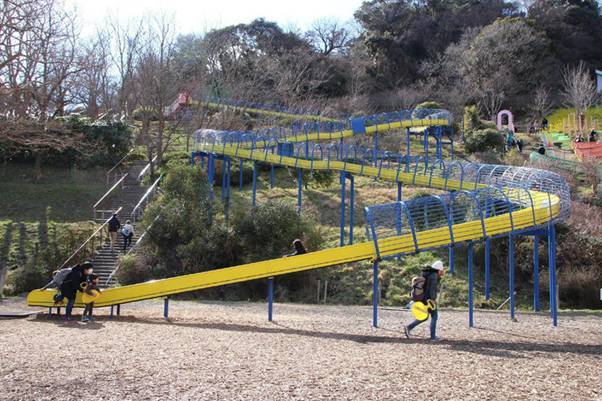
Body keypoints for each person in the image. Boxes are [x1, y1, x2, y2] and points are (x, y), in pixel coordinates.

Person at [403, 260, 445, 341]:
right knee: (434, 316)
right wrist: (433, 300)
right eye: (442, 270)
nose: (442, 272)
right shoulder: (434, 276)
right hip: (429, 300)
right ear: (439, 269)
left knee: (424, 317)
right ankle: (433, 337)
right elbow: (432, 290)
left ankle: (408, 327)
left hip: (423, 298)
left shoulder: (427, 273)